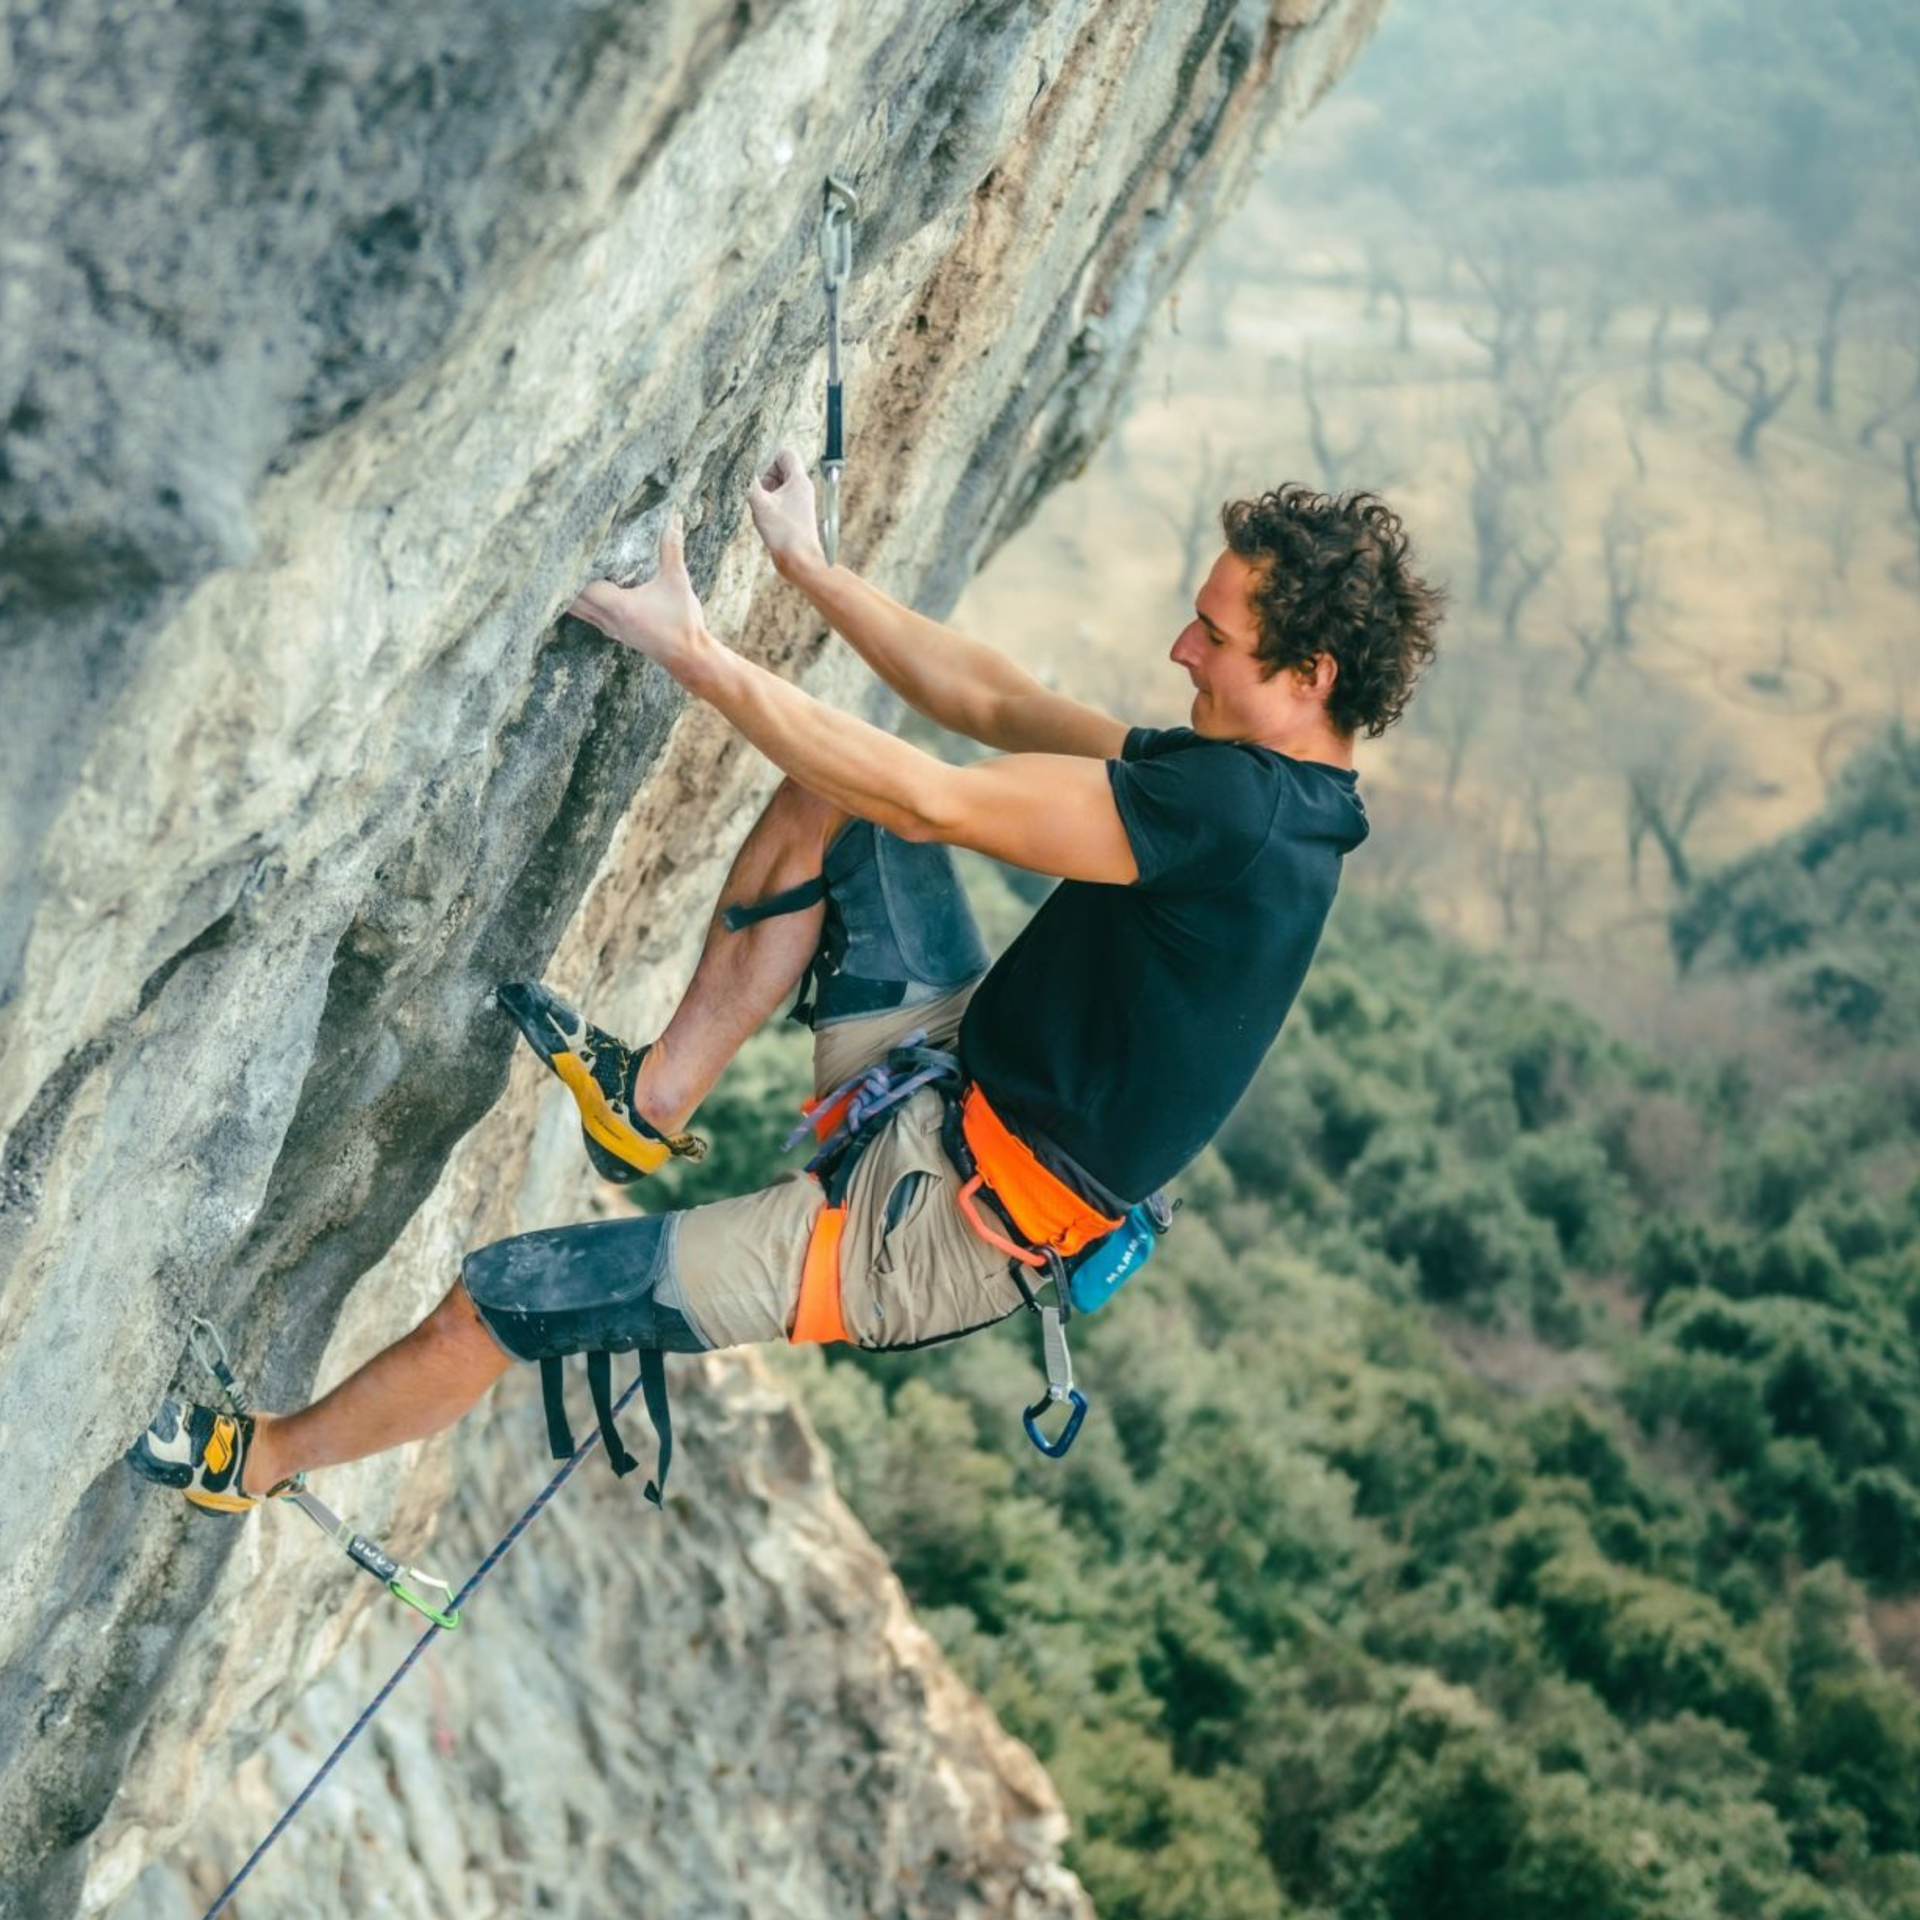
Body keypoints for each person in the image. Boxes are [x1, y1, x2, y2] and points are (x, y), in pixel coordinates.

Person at [129, 447, 1442, 1513]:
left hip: (931, 1235)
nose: (1179, 650)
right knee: (839, 789)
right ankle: (645, 1103)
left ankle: (259, 1461)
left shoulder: (1239, 822)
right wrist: (806, 565)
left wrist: (693, 652)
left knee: (497, 1299)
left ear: (1308, 677)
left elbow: (935, 794)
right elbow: (995, 701)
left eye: (1212, 635)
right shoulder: (1267, 790)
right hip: (951, 1085)